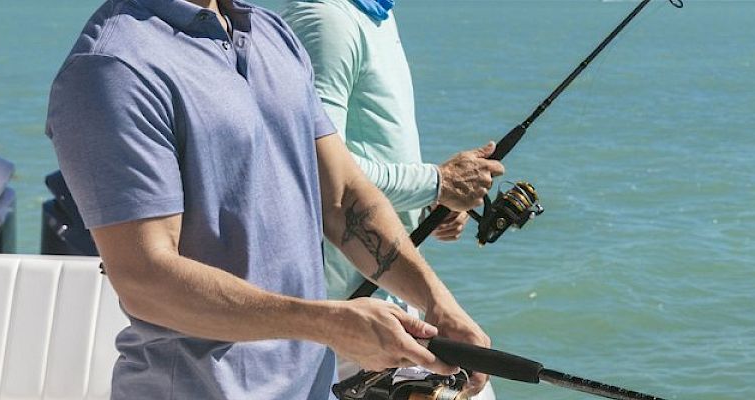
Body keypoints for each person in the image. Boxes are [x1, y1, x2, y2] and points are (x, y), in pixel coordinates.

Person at [44, 0, 503, 398]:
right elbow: (145, 278)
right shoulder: (112, 67)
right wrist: (329, 323)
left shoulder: (271, 33)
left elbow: (344, 198)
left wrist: (438, 303)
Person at [280, 0, 499, 397]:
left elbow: (370, 150)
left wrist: (428, 204)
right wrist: (436, 181)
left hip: (391, 297)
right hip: (350, 313)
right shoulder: (326, 20)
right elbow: (319, 169)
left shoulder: (375, 15)